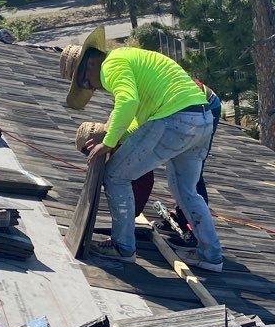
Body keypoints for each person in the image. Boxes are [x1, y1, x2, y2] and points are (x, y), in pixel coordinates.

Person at [61, 26, 224, 272]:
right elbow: (137, 121)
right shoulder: (132, 63)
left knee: (116, 176)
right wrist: (116, 137)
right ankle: (211, 257)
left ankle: (123, 247)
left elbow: (127, 102)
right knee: (185, 190)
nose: (92, 87)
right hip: (201, 120)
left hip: (175, 119)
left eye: (85, 81)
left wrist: (108, 142)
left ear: (91, 62)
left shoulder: (111, 64)